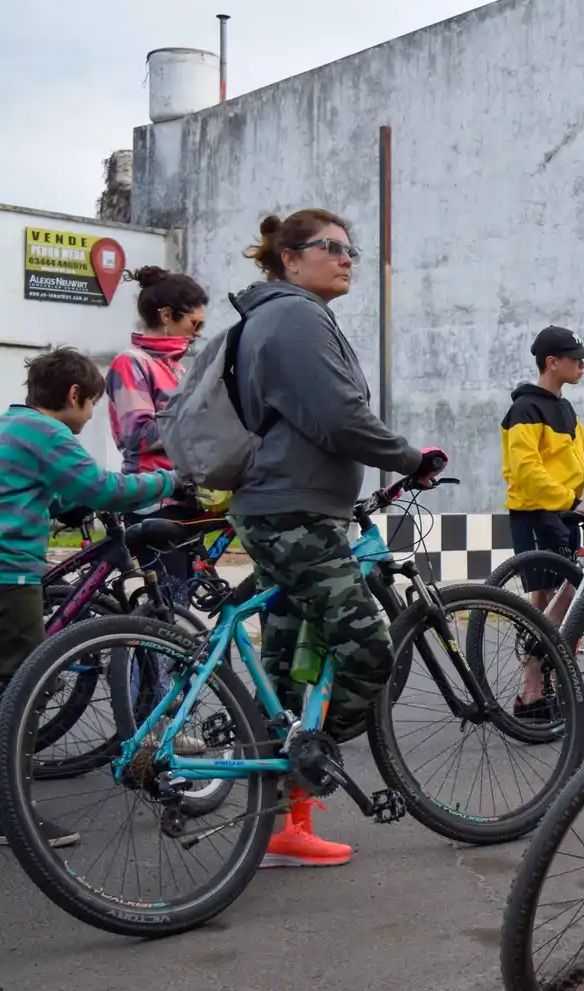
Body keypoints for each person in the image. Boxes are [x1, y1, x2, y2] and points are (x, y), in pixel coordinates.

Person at [231, 210, 447, 869]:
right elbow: (338, 416)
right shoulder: (295, 317)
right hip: (293, 512)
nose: (346, 257)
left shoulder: (276, 316)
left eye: (350, 248)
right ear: (290, 259)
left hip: (286, 505)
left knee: (285, 666)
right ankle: (305, 763)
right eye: (330, 247)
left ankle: (281, 823)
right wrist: (409, 458)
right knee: (370, 652)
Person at [0, 348, 178, 849]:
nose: (92, 414)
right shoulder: (46, 432)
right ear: (74, 394)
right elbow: (102, 488)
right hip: (9, 574)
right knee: (23, 691)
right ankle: (9, 813)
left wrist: (69, 503)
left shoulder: (13, 426)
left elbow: (54, 493)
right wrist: (173, 479)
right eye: (93, 404)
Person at [501, 325, 584, 717]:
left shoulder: (563, 408)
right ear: (552, 362)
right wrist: (574, 501)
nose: (583, 366)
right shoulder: (525, 409)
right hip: (536, 512)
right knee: (546, 600)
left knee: (563, 597)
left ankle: (540, 683)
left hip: (564, 513)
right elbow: (526, 470)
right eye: (576, 359)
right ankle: (531, 690)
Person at [106, 266, 210, 601]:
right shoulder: (131, 363)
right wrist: (196, 421)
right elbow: (138, 434)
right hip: (153, 501)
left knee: (186, 603)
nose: (198, 333)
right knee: (172, 607)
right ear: (166, 315)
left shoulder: (177, 367)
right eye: (194, 324)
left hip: (185, 498)